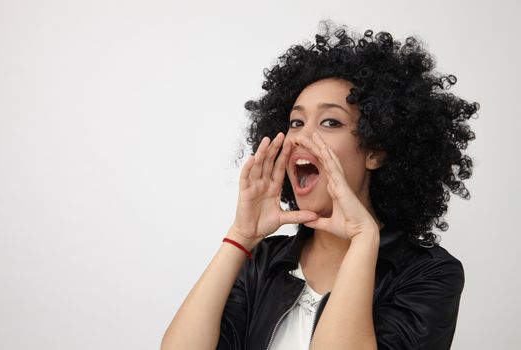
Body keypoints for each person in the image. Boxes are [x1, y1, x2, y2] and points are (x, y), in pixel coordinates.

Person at [160, 20, 479, 350]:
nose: (302, 137)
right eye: (296, 122)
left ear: (376, 151)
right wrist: (240, 237)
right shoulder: (264, 261)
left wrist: (363, 239)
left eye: (330, 122)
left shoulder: (429, 273)